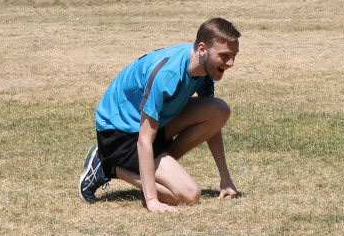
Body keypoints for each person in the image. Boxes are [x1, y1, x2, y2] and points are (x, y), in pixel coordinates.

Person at [80, 18, 240, 212]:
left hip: (154, 125)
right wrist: (152, 200)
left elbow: (213, 127)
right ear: (202, 49)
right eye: (225, 56)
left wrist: (225, 177)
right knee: (189, 195)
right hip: (120, 134)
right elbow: (144, 140)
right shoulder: (167, 75)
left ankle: (154, 168)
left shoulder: (203, 69)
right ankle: (108, 167)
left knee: (218, 110)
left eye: (234, 55)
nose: (231, 63)